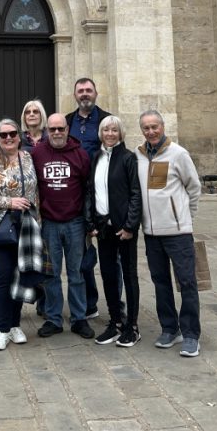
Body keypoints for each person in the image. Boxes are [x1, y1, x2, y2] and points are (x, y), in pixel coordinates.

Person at [135, 109, 202, 358]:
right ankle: (169, 328)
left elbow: (193, 188)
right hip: (151, 232)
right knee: (160, 281)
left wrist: (184, 217)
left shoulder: (179, 154)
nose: (151, 131)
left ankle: (191, 334)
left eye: (155, 126)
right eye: (146, 128)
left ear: (162, 127)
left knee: (186, 282)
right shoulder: (138, 156)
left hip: (178, 231)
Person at [0, 118, 38, 351]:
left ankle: (14, 324)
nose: (9, 138)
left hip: (25, 226)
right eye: (4, 135)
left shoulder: (28, 158)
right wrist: (9, 202)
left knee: (20, 275)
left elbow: (36, 192)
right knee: (2, 277)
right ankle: (1, 329)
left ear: (19, 136)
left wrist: (36, 221)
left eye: (12, 133)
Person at [32, 113, 94, 339]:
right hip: (49, 223)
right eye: (52, 129)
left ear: (68, 130)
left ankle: (79, 319)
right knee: (51, 274)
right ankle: (53, 318)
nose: (57, 133)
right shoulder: (37, 153)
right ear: (46, 130)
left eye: (61, 129)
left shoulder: (81, 154)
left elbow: (88, 188)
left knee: (77, 273)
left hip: (75, 223)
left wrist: (89, 221)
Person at [86, 115, 142, 347]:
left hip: (123, 228)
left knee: (129, 275)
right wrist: (91, 223)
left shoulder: (128, 158)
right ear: (100, 133)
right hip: (103, 228)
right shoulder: (96, 157)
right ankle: (116, 322)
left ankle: (133, 327)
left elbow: (135, 194)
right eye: (106, 130)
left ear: (121, 134)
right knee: (109, 275)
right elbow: (90, 192)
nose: (110, 134)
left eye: (114, 130)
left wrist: (130, 226)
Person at [65, 77, 114, 319]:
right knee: (82, 254)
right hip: (75, 194)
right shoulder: (67, 121)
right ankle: (89, 303)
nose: (85, 94)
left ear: (96, 93)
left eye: (88, 90)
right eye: (80, 91)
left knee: (110, 256)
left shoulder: (107, 120)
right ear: (75, 95)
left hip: (102, 194)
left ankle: (115, 306)